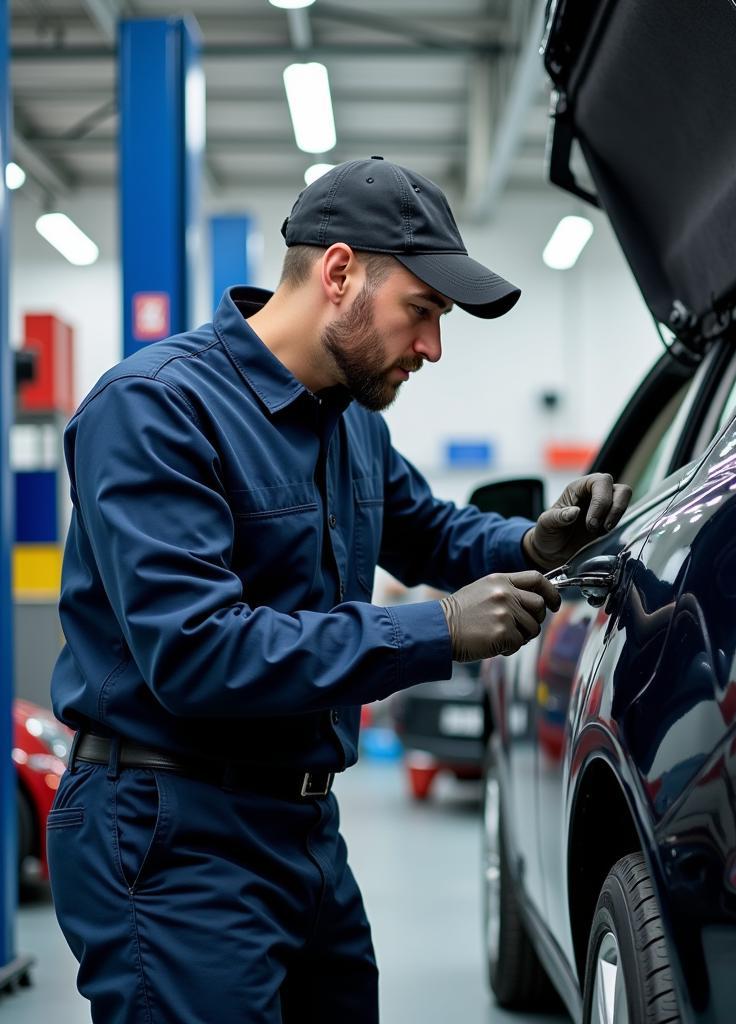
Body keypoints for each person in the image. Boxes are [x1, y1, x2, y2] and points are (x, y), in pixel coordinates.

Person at [48, 156, 631, 1023]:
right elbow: (199, 651)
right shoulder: (155, 410)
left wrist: (533, 539)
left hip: (304, 829)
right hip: (170, 834)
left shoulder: (349, 420)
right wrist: (438, 629)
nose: (432, 347)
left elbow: (426, 527)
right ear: (339, 272)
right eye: (423, 312)